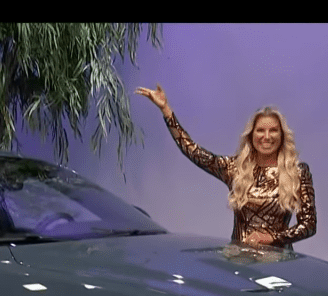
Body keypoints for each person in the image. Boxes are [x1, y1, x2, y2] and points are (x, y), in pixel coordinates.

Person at [135, 84, 316, 249]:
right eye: (260, 130)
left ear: (282, 135)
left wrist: (272, 238)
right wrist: (166, 110)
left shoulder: (298, 172)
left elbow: (309, 225)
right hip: (239, 261)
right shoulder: (235, 168)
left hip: (280, 264)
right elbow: (193, 151)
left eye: (273, 130)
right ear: (251, 135)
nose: (266, 136)